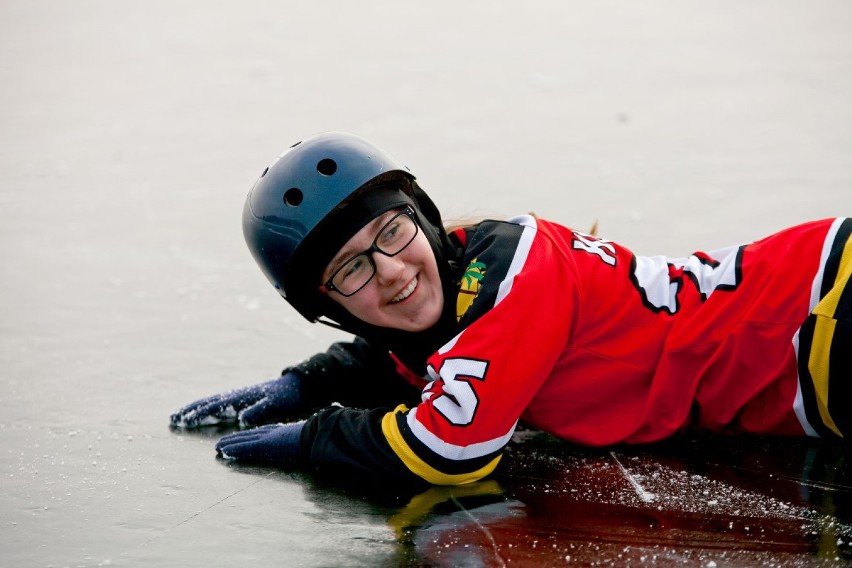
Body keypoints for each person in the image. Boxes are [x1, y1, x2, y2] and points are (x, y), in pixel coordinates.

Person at [170, 131, 851, 486]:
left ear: (424, 220)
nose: (393, 271)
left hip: (819, 318)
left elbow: (447, 448)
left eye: (392, 233)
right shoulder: (464, 292)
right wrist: (305, 383)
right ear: (331, 307)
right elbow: (408, 354)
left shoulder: (515, 275)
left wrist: (314, 437)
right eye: (352, 268)